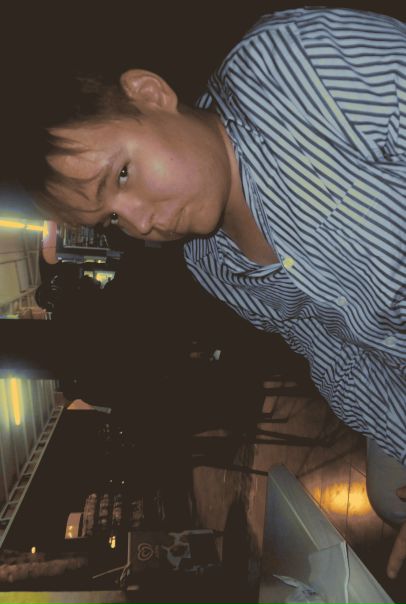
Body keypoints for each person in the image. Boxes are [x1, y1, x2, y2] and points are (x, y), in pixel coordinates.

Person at [10, 6, 406, 579]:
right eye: (112, 221)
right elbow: (337, 356)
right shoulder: (211, 263)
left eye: (122, 175)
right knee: (390, 498)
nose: (141, 223)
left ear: (151, 94)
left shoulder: (292, 68)